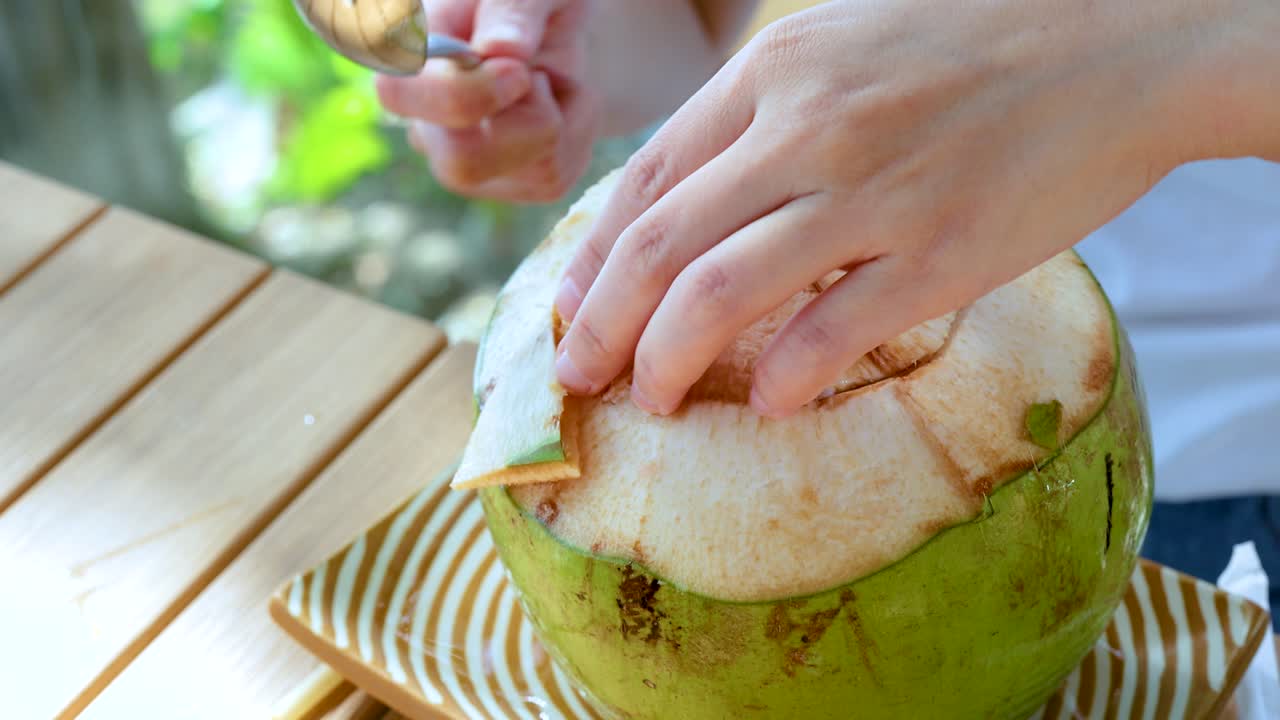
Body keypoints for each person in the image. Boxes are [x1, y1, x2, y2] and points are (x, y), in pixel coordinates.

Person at [376, 1, 1280, 617]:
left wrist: (1134, 56)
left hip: (1236, 469)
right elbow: (702, 24)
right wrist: (569, 46)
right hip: (738, 375)